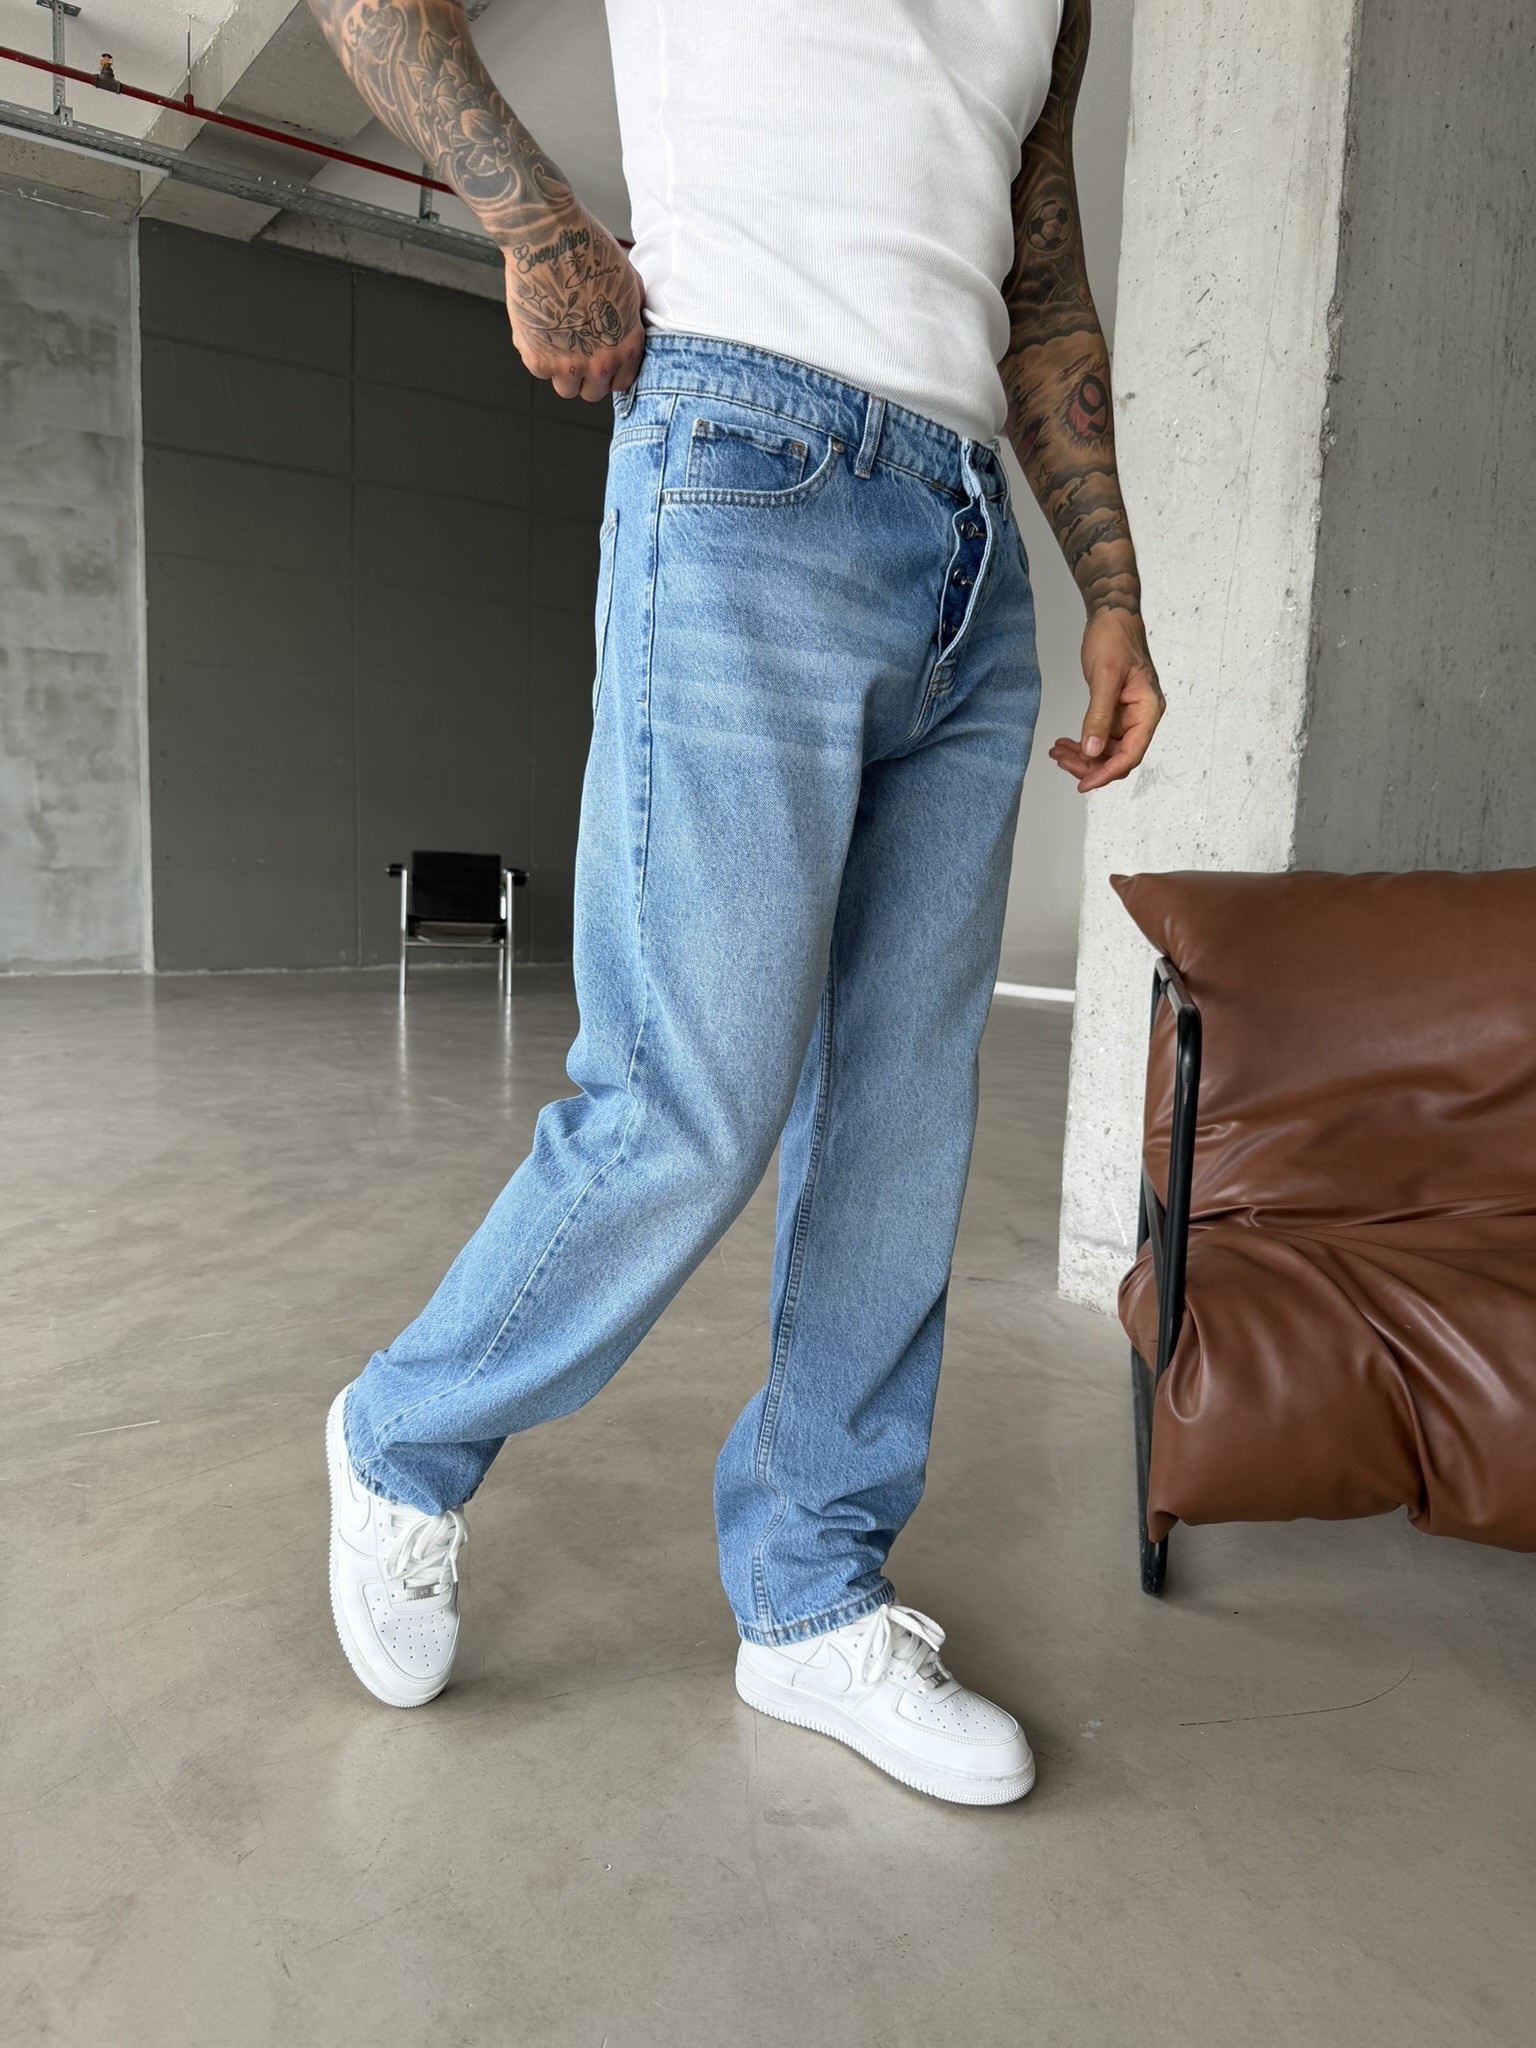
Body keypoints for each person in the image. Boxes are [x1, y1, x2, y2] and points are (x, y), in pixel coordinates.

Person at [312, 0, 1162, 1806]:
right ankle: (403, 1437)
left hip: (970, 552)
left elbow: (1043, 276)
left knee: (901, 1122)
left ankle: (810, 1593)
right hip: (746, 459)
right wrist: (536, 217)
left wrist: (1111, 583)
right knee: (685, 1098)